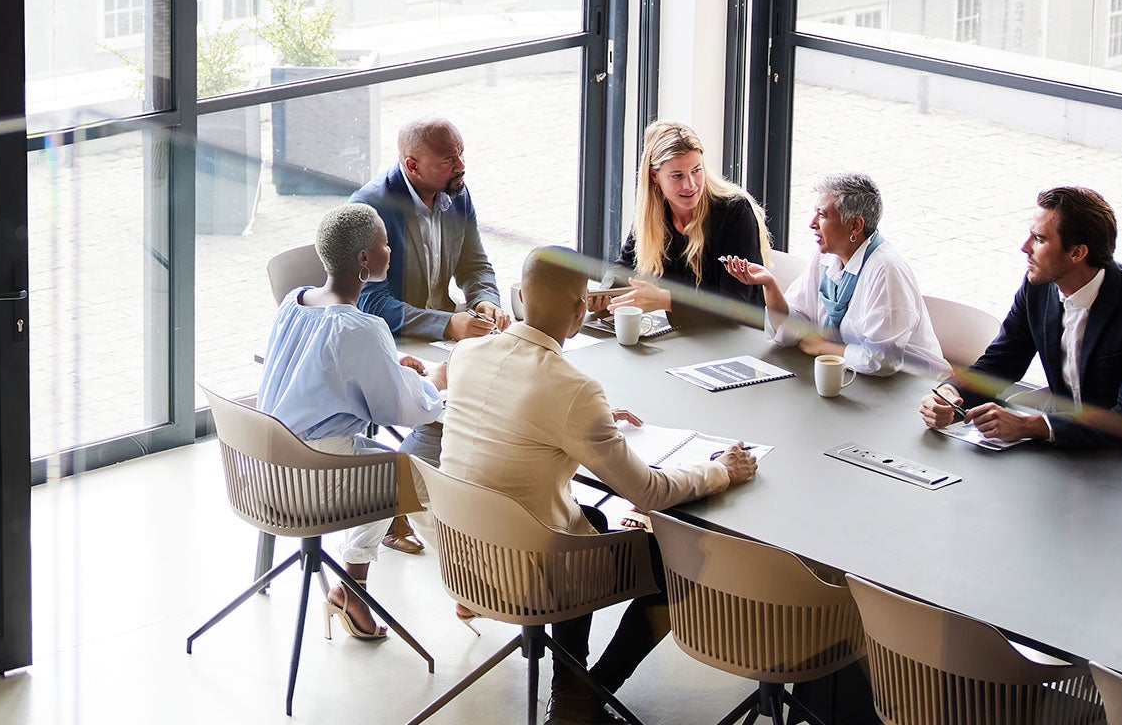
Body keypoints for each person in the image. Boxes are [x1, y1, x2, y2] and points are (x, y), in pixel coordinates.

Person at [441, 246, 759, 723]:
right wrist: (721, 471)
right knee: (677, 557)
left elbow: (510, 410)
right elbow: (649, 494)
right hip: (528, 574)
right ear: (579, 311)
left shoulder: (468, 353)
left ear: (523, 297)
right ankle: (586, 696)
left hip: (463, 558)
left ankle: (571, 685)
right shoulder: (573, 390)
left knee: (587, 518)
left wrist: (580, 425)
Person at [258, 203, 448, 640]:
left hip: (265, 466)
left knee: (387, 464)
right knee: (410, 476)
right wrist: (436, 384)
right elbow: (399, 411)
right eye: (384, 243)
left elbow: (319, 363)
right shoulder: (362, 328)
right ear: (364, 259)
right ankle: (454, 583)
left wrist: (387, 361)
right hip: (311, 479)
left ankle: (352, 589)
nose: (390, 249)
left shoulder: (295, 301)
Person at [917, 187, 1122, 449]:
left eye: (1039, 239)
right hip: (1068, 448)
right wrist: (950, 393)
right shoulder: (1038, 288)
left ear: (1077, 253)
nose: (1024, 247)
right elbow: (999, 364)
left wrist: (1029, 425)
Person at [722, 173, 947, 376]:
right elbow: (798, 326)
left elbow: (882, 360)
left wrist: (824, 348)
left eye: (822, 215)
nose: (812, 224)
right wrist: (770, 285)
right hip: (855, 378)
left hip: (915, 388)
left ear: (855, 226)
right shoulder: (825, 257)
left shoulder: (886, 271)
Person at [348, 118, 510, 341]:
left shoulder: (456, 193)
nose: (461, 166)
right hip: (393, 342)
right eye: (448, 160)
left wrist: (485, 300)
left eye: (461, 154)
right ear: (413, 166)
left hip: (445, 336)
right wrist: (447, 325)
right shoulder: (369, 209)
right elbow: (371, 302)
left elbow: (474, 265)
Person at [611, 120, 770, 319]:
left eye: (696, 170)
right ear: (654, 176)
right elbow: (626, 265)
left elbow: (734, 305)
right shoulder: (654, 213)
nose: (691, 185)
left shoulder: (735, 211)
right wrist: (604, 292)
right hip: (687, 332)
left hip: (738, 337)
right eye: (677, 176)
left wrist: (668, 301)